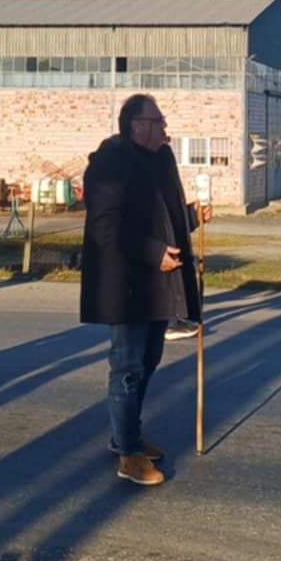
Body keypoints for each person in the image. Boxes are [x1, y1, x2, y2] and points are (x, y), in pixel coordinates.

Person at [80, 94, 205, 486]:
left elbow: (163, 216)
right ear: (137, 125)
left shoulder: (161, 158)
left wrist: (191, 218)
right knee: (128, 368)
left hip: (157, 281)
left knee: (149, 360)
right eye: (158, 120)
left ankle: (127, 434)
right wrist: (153, 252)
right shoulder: (109, 163)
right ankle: (127, 453)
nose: (165, 128)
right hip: (125, 284)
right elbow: (105, 228)